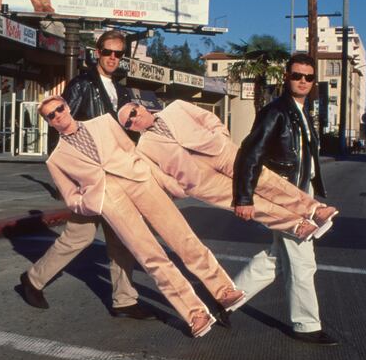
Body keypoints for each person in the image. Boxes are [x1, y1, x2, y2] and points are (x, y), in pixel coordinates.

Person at [39, 96, 245, 337]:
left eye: (59, 109)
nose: (58, 116)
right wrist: (95, 203)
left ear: (68, 106)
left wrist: (159, 179)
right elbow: (71, 197)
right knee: (150, 256)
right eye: (50, 115)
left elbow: (132, 151)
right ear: (48, 122)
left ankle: (222, 290)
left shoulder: (104, 122)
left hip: (140, 182)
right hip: (110, 200)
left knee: (182, 237)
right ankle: (194, 313)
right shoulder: (56, 159)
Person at [19, 31, 152, 321]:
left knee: (121, 239)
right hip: (90, 176)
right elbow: (62, 127)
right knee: (79, 236)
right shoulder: (82, 85)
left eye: (119, 53)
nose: (113, 58)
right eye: (108, 52)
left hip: (118, 175)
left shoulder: (124, 90)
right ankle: (32, 280)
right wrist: (68, 177)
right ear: (97, 52)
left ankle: (125, 300)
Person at [232, 53, 339, 346]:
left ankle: (224, 299)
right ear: (286, 78)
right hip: (285, 197)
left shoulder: (302, 112)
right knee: (303, 260)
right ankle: (306, 325)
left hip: (301, 195)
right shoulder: (275, 111)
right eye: (297, 75)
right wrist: (243, 197)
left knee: (275, 259)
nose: (303, 81)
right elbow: (249, 153)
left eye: (308, 77)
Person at [119, 100, 338, 241]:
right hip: (201, 182)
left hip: (220, 151)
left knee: (263, 180)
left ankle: (313, 209)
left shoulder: (176, 107)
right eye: (128, 123)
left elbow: (207, 117)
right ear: (130, 129)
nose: (134, 119)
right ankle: (297, 225)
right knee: (250, 204)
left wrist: (221, 135)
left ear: (141, 106)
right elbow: (161, 178)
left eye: (133, 112)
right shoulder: (143, 148)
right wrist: (184, 187)